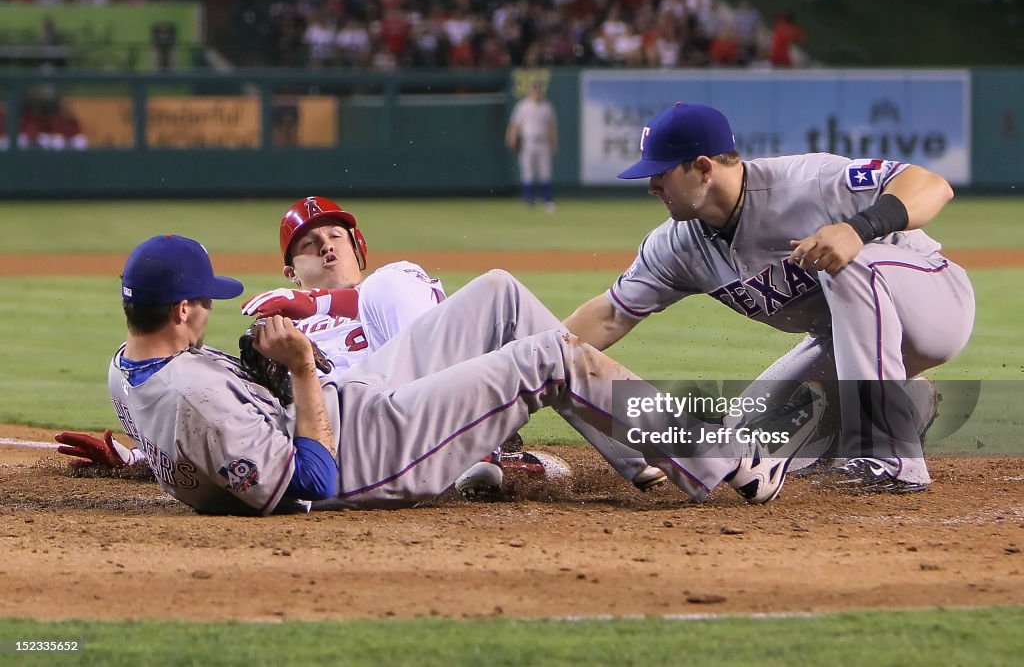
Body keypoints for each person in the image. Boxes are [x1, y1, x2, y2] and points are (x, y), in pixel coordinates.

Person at [85, 229, 811, 516]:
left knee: (497, 290)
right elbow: (306, 482)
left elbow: (189, 443)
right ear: (180, 308)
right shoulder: (194, 395)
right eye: (204, 301)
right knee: (550, 356)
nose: (213, 309)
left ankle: (641, 455)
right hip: (364, 450)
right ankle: (725, 461)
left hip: (351, 400)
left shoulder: (132, 367)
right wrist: (303, 368)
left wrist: (134, 457)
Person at [564, 102, 975, 494]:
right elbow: (609, 315)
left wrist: (858, 228)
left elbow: (932, 185)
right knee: (746, 431)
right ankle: (907, 405)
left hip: (932, 305)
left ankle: (889, 457)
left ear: (703, 168)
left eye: (662, 173)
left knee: (847, 264)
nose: (652, 185)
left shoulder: (807, 181)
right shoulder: (677, 246)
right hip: (850, 341)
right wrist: (537, 359)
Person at [505, 80, 558, 211]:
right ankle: (529, 200)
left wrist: (554, 143)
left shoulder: (547, 107)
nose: (536, 92)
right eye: (534, 90)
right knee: (528, 172)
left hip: (543, 142)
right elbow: (515, 124)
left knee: (545, 172)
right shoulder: (523, 106)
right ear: (530, 91)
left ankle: (547, 200)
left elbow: (552, 127)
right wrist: (511, 137)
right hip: (527, 141)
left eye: (538, 90)